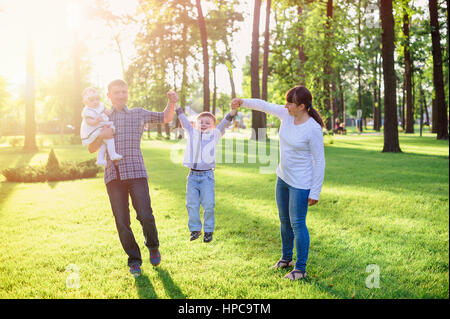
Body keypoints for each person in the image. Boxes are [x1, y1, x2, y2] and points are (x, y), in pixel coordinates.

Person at [231, 86, 325, 281]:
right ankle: (286, 259)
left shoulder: (313, 129)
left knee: (298, 224)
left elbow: (320, 161)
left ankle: (300, 269)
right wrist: (243, 102)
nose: (286, 105)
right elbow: (264, 105)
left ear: (301, 106)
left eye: (290, 102)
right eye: (287, 101)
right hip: (283, 177)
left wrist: (315, 192)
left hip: (301, 183)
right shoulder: (286, 114)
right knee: (284, 221)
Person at [88, 79, 178, 277]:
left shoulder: (138, 113)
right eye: (116, 92)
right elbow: (91, 148)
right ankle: (134, 260)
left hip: (136, 172)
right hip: (113, 176)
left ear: (127, 93)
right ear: (109, 95)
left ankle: (153, 246)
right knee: (122, 220)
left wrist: (172, 102)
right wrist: (100, 135)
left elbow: (165, 117)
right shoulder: (102, 118)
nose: (121, 95)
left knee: (145, 214)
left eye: (124, 92)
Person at [175, 105, 237, 243]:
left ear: (213, 126)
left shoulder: (215, 135)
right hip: (192, 176)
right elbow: (184, 121)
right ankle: (195, 230)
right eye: (201, 122)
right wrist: (177, 107)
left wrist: (232, 112)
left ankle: (208, 230)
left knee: (208, 204)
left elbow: (225, 123)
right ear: (196, 124)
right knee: (191, 204)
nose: (203, 125)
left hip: (207, 177)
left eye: (207, 123)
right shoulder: (192, 133)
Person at [80, 87, 122, 166]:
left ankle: (100, 159)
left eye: (97, 99)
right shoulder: (87, 111)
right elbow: (88, 121)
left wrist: (112, 111)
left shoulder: (100, 105)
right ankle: (113, 154)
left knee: (103, 145)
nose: (95, 102)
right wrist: (96, 121)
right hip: (95, 129)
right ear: (85, 102)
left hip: (102, 126)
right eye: (92, 100)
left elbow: (107, 112)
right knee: (109, 139)